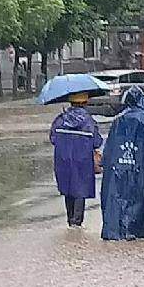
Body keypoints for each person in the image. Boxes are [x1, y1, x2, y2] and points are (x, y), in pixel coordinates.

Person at [101, 86, 144, 241]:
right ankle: (141, 229)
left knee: (117, 199)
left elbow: (109, 149)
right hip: (142, 169)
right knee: (143, 198)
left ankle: (118, 231)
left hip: (118, 170)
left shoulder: (118, 120)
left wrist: (107, 166)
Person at [49, 92, 103, 228]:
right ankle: (76, 222)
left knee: (68, 188)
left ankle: (70, 220)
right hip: (82, 160)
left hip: (64, 160)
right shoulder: (89, 121)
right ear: (85, 103)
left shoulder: (60, 119)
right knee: (80, 189)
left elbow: (53, 138)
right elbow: (97, 142)